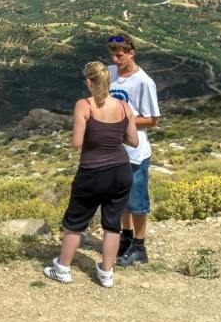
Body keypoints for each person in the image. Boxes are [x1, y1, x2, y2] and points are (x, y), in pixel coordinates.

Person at [46, 61, 137, 288]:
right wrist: (114, 136)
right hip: (121, 171)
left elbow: (76, 143)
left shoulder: (84, 105)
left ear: (89, 81)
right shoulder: (125, 107)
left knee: (75, 223)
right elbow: (133, 141)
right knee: (112, 225)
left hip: (92, 173)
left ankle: (63, 269)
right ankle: (106, 273)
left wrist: (93, 134)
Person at [105, 33, 160, 264]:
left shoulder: (144, 82)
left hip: (135, 151)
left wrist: (122, 120)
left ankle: (140, 246)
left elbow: (152, 119)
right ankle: (125, 239)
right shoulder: (110, 73)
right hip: (113, 150)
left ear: (131, 53)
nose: (116, 60)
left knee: (137, 202)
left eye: (120, 56)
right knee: (120, 199)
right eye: (113, 55)